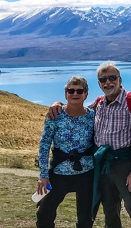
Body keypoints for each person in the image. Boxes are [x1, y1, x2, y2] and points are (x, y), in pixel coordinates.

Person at [48, 61, 131, 228]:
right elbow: (77, 109)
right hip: (102, 163)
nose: (108, 82)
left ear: (120, 80)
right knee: (110, 208)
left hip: (125, 163)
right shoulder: (99, 103)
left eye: (112, 78)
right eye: (103, 79)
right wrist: (58, 105)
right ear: (99, 83)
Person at [37, 76, 95, 228]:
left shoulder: (93, 116)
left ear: (86, 94)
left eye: (79, 90)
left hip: (86, 173)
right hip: (58, 172)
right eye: (71, 90)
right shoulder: (54, 116)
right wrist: (43, 175)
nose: (75, 93)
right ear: (65, 94)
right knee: (44, 212)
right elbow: (44, 145)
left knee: (86, 218)